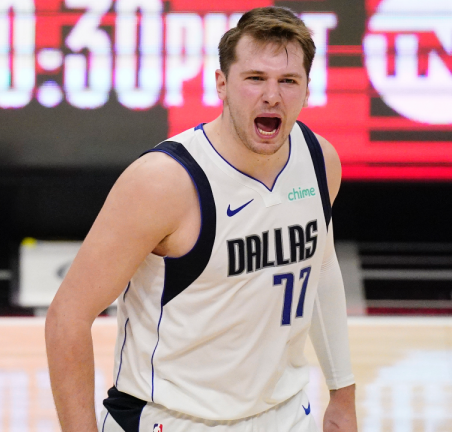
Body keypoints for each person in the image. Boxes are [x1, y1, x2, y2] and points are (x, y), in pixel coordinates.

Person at [45, 6, 357, 432]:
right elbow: (68, 317)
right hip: (174, 419)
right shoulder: (163, 181)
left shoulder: (320, 160)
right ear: (222, 85)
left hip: (285, 415)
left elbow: (319, 270)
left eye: (287, 81)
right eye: (255, 79)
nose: (271, 95)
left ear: (306, 91)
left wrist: (342, 394)